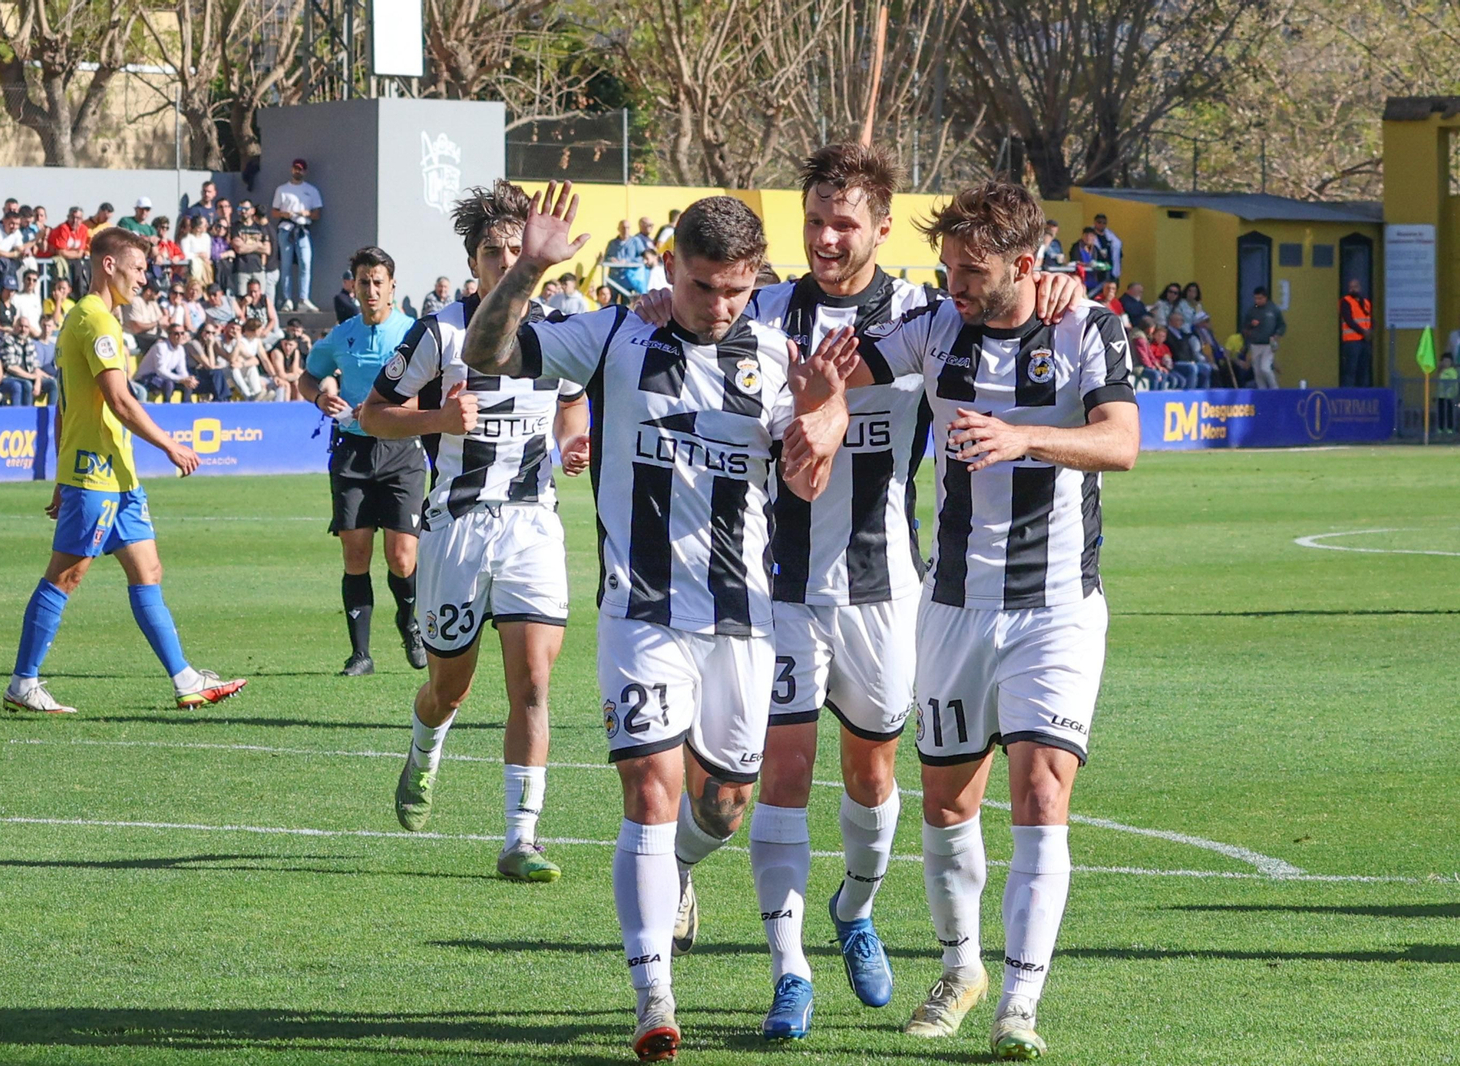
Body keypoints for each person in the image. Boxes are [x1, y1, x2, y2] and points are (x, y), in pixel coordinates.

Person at [629, 145, 1083, 1040]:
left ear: (883, 227)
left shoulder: (930, 311)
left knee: (875, 782)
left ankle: (854, 909)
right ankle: (789, 971)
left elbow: (1012, 308)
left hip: (886, 588)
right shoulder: (761, 306)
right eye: (815, 221)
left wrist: (1060, 285)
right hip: (779, 587)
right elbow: (685, 320)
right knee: (766, 783)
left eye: (847, 223)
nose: (828, 238)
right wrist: (657, 303)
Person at [451, 183, 854, 1063]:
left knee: (727, 803)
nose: (718, 306)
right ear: (669, 266)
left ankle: (674, 875)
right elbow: (488, 352)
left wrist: (822, 416)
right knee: (649, 794)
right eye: (704, 285)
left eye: (736, 289)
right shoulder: (615, 334)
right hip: (642, 613)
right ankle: (652, 996)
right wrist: (527, 268)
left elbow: (807, 480)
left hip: (745, 620)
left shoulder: (778, 355)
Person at [842, 178, 1139, 1060]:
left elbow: (1121, 442)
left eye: (972, 270)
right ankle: (961, 965)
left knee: (1042, 790)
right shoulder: (936, 328)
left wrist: (1024, 438)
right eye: (949, 268)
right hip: (954, 605)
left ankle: (1020, 1002)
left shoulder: (1087, 325)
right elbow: (843, 368)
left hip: (1056, 607)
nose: (956, 283)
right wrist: (814, 405)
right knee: (945, 800)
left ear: (1027, 263)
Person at [360, 181, 592, 884]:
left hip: (532, 525)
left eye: (515, 249)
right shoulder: (441, 331)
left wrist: (574, 443)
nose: (504, 260)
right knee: (449, 689)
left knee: (532, 683)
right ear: (474, 260)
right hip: (457, 527)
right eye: (492, 252)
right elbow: (374, 414)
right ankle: (424, 750)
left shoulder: (559, 328)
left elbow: (575, 408)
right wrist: (436, 421)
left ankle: (522, 837)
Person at [0, 226, 246, 715]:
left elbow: (64, 406)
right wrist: (171, 445)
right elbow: (118, 399)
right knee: (66, 576)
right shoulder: (94, 321)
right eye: (136, 269)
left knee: (147, 570)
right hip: (95, 474)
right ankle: (22, 684)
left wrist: (58, 474)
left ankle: (185, 680)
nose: (144, 279)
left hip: (118, 476)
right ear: (108, 265)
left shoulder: (93, 319)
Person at [299, 247, 424, 674]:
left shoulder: (414, 333)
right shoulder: (341, 336)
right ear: (353, 285)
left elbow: (433, 386)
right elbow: (308, 374)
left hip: (402, 451)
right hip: (352, 453)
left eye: (377, 282)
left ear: (392, 287)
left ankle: (410, 624)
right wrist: (320, 395)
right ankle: (361, 654)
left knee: (403, 557)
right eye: (362, 282)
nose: (370, 290)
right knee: (355, 555)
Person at [272, 157, 323, 310]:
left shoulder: (311, 190)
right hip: (286, 228)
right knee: (286, 265)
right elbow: (274, 212)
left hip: (302, 229)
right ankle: (287, 299)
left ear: (304, 171)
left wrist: (306, 213)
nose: (297, 171)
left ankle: (303, 299)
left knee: (305, 263)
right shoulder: (282, 189)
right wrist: (285, 214)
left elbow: (317, 214)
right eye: (295, 168)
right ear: (291, 169)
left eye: (300, 169)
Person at [136, 325, 199, 403]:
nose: (179, 336)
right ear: (169, 335)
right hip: (146, 377)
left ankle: (186, 408)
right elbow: (160, 371)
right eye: (176, 334)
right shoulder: (160, 347)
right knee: (168, 383)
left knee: (188, 384)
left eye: (182, 333)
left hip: (162, 377)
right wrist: (181, 379)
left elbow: (182, 370)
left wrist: (187, 379)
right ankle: (167, 407)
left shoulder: (180, 349)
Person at [1241, 286, 1285, 389]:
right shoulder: (1252, 310)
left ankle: (1275, 390)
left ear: (1265, 297)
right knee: (1257, 372)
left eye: (1260, 298)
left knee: (1265, 368)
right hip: (1255, 344)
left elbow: (1282, 325)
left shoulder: (1273, 309)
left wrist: (1277, 334)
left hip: (1268, 344)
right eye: (1256, 298)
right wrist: (1251, 324)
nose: (1257, 301)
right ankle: (1262, 392)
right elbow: (1244, 326)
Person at [1339, 278, 1373, 388]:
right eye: (1351, 287)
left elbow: (1369, 319)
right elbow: (1349, 320)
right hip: (1351, 342)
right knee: (1350, 371)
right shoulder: (1345, 301)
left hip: (1364, 342)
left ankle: (1363, 395)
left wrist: (1370, 331)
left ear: (1360, 288)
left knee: (1363, 371)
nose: (1353, 289)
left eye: (1355, 286)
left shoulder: (1366, 303)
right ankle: (1348, 395)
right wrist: (1363, 332)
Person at [188, 320, 230, 401]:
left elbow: (229, 358)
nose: (210, 335)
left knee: (221, 374)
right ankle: (222, 400)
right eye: (207, 332)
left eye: (213, 333)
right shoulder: (194, 344)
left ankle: (222, 400)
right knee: (217, 373)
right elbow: (211, 367)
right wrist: (210, 346)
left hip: (204, 375)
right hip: (193, 376)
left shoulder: (210, 343)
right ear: (201, 332)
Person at [1090, 213, 1122, 282]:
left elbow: (1118, 253)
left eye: (1104, 223)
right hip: (1098, 271)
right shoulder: (1090, 236)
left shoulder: (1111, 236)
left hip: (1111, 270)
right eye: (1099, 222)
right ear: (1095, 222)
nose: (1101, 225)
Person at [1437, 353, 1457, 434]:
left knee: (1449, 412)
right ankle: (1440, 428)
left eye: (1448, 361)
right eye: (1445, 361)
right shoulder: (1441, 371)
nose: (1446, 363)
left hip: (1450, 396)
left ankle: (1450, 428)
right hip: (1441, 395)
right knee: (1441, 412)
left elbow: (1453, 381)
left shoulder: (1453, 371)